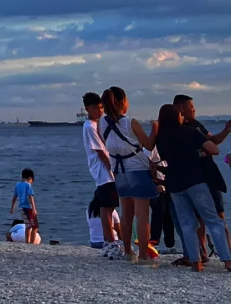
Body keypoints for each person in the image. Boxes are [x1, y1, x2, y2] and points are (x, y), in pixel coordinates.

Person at [155, 103, 231, 272]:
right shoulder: (190, 132)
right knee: (214, 221)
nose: (183, 117)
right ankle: (227, 260)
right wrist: (198, 151)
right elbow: (214, 149)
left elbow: (163, 157)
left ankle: (195, 262)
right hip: (195, 181)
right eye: (180, 115)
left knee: (187, 223)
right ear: (177, 117)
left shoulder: (161, 138)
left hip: (174, 184)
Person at [99, 87, 159, 262]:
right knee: (142, 215)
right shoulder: (130, 122)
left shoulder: (101, 124)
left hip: (118, 170)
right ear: (122, 101)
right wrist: (155, 129)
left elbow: (108, 143)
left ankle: (127, 252)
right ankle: (142, 255)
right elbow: (148, 145)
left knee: (126, 213)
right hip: (137, 169)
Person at [81, 92, 120, 255]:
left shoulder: (98, 124)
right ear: (88, 109)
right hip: (103, 172)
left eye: (102, 107)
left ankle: (110, 241)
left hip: (105, 171)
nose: (100, 111)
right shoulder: (89, 126)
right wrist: (113, 170)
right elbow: (101, 152)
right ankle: (110, 241)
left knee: (109, 206)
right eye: (97, 108)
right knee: (107, 207)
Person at [9, 170, 38, 243]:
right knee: (35, 227)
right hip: (28, 208)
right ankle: (32, 243)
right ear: (30, 178)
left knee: (28, 226)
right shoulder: (28, 185)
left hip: (21, 208)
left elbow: (14, 198)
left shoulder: (17, 185)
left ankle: (27, 242)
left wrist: (12, 208)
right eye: (32, 180)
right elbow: (30, 197)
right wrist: (34, 209)